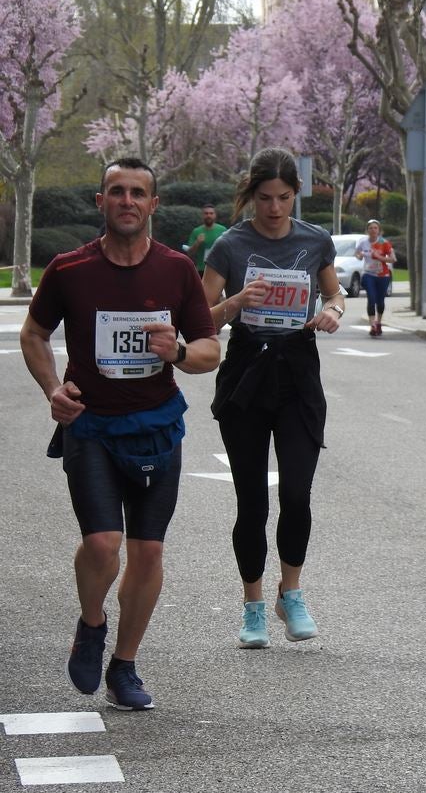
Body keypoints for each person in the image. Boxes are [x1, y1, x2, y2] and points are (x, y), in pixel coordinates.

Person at [20, 157, 220, 710]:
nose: (127, 200)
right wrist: (51, 390)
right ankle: (91, 623)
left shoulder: (177, 269)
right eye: (116, 191)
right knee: (102, 544)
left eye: (138, 192)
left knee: (148, 553)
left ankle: (124, 667)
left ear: (153, 205)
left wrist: (177, 351)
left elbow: (209, 350)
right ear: (101, 201)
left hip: (157, 428)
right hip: (91, 428)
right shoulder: (68, 269)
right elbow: (34, 333)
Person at [201, 147, 345, 650]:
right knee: (253, 501)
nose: (275, 208)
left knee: (298, 493)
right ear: (251, 195)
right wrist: (238, 301)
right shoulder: (230, 245)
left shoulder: (315, 241)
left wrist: (333, 310)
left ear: (295, 195)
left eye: (284, 198)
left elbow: (335, 294)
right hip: (246, 372)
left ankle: (293, 592)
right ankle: (254, 605)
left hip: (298, 371)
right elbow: (201, 318)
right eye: (265, 198)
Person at [355, 219, 396, 337]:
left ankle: (379, 322)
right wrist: (360, 255)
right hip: (368, 274)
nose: (373, 230)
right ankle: (372, 325)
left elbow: (393, 259)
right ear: (367, 230)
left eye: (375, 228)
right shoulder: (363, 242)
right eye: (370, 228)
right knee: (371, 298)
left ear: (379, 230)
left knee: (380, 301)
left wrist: (380, 257)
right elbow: (357, 254)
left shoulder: (384, 243)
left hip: (383, 275)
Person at [184, 204, 227, 277]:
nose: (208, 215)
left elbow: (228, 250)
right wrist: (197, 243)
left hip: (219, 269)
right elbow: (190, 253)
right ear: (202, 216)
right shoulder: (196, 231)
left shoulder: (222, 230)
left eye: (211, 213)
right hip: (202, 269)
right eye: (206, 213)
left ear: (215, 215)